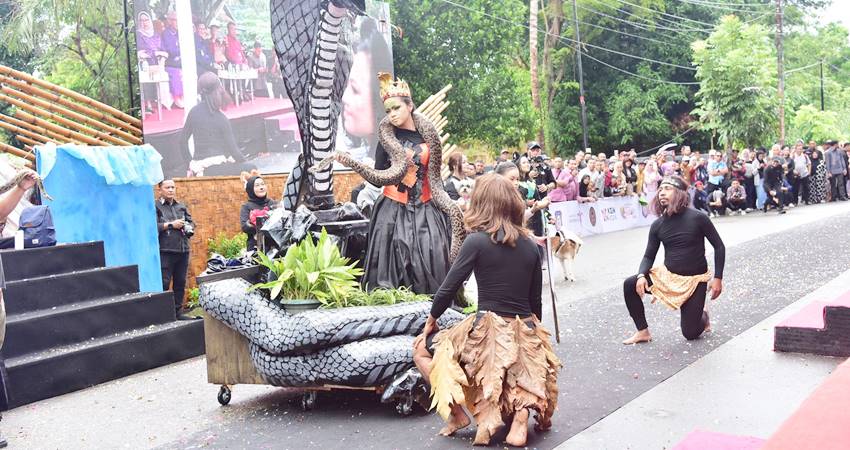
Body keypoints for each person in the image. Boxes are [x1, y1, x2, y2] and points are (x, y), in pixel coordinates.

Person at [412, 174, 560, 447]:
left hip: (487, 329)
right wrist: (532, 339)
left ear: (481, 204)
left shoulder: (477, 242)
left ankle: (457, 414)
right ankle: (519, 419)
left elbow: (448, 289)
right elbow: (535, 303)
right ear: (514, 205)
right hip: (525, 326)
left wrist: (430, 322)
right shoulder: (531, 247)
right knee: (526, 370)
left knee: (420, 349)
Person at [324, 73, 455, 294]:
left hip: (427, 207)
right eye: (388, 111)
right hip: (393, 209)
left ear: (410, 106)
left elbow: (435, 178)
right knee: (392, 262)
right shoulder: (385, 139)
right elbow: (378, 174)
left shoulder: (429, 138)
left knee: (434, 252)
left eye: (397, 108)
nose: (392, 114)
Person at [622, 176, 725, 345]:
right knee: (630, 283)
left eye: (667, 189)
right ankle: (643, 332)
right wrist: (641, 275)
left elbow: (719, 247)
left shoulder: (698, 218)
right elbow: (649, 256)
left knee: (690, 333)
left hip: (694, 281)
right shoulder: (658, 225)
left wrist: (718, 279)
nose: (662, 193)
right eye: (660, 190)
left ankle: (704, 315)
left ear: (680, 193)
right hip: (668, 277)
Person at [179, 72, 247, 176]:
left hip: (197, 166)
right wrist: (245, 164)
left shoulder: (193, 112)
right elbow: (234, 151)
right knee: (251, 168)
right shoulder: (221, 119)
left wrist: (189, 165)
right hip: (217, 167)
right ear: (219, 90)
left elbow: (182, 141)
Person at [155, 179, 198, 321]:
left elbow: (191, 222)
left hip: (183, 249)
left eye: (173, 187)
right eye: (167, 187)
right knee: (163, 283)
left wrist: (188, 226)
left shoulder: (181, 206)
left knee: (180, 283)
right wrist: (171, 225)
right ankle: (161, 315)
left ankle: (177, 313)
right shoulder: (155, 206)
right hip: (165, 250)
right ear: (160, 189)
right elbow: (154, 227)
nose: (171, 190)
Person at [240, 175, 278, 251]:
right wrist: (259, 226)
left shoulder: (273, 204)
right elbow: (245, 227)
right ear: (250, 189)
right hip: (255, 247)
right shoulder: (246, 206)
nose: (261, 187)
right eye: (257, 185)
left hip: (275, 247)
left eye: (262, 184)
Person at [160, 11, 184, 109]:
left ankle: (186, 95)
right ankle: (177, 97)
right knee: (176, 72)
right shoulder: (166, 33)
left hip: (180, 61)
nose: (177, 22)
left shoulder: (180, 33)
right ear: (170, 21)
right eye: (175, 20)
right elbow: (171, 50)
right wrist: (181, 51)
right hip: (170, 62)